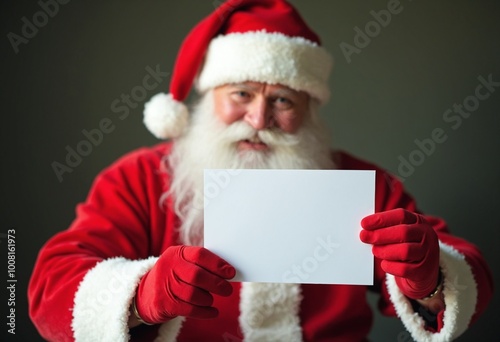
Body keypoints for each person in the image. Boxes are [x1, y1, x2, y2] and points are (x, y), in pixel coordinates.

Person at [28, 1, 493, 341]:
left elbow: (466, 267)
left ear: (309, 110)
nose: (259, 118)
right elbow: (50, 286)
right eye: (242, 94)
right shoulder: (138, 179)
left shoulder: (362, 186)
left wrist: (432, 281)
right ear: (210, 98)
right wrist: (142, 295)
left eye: (283, 100)